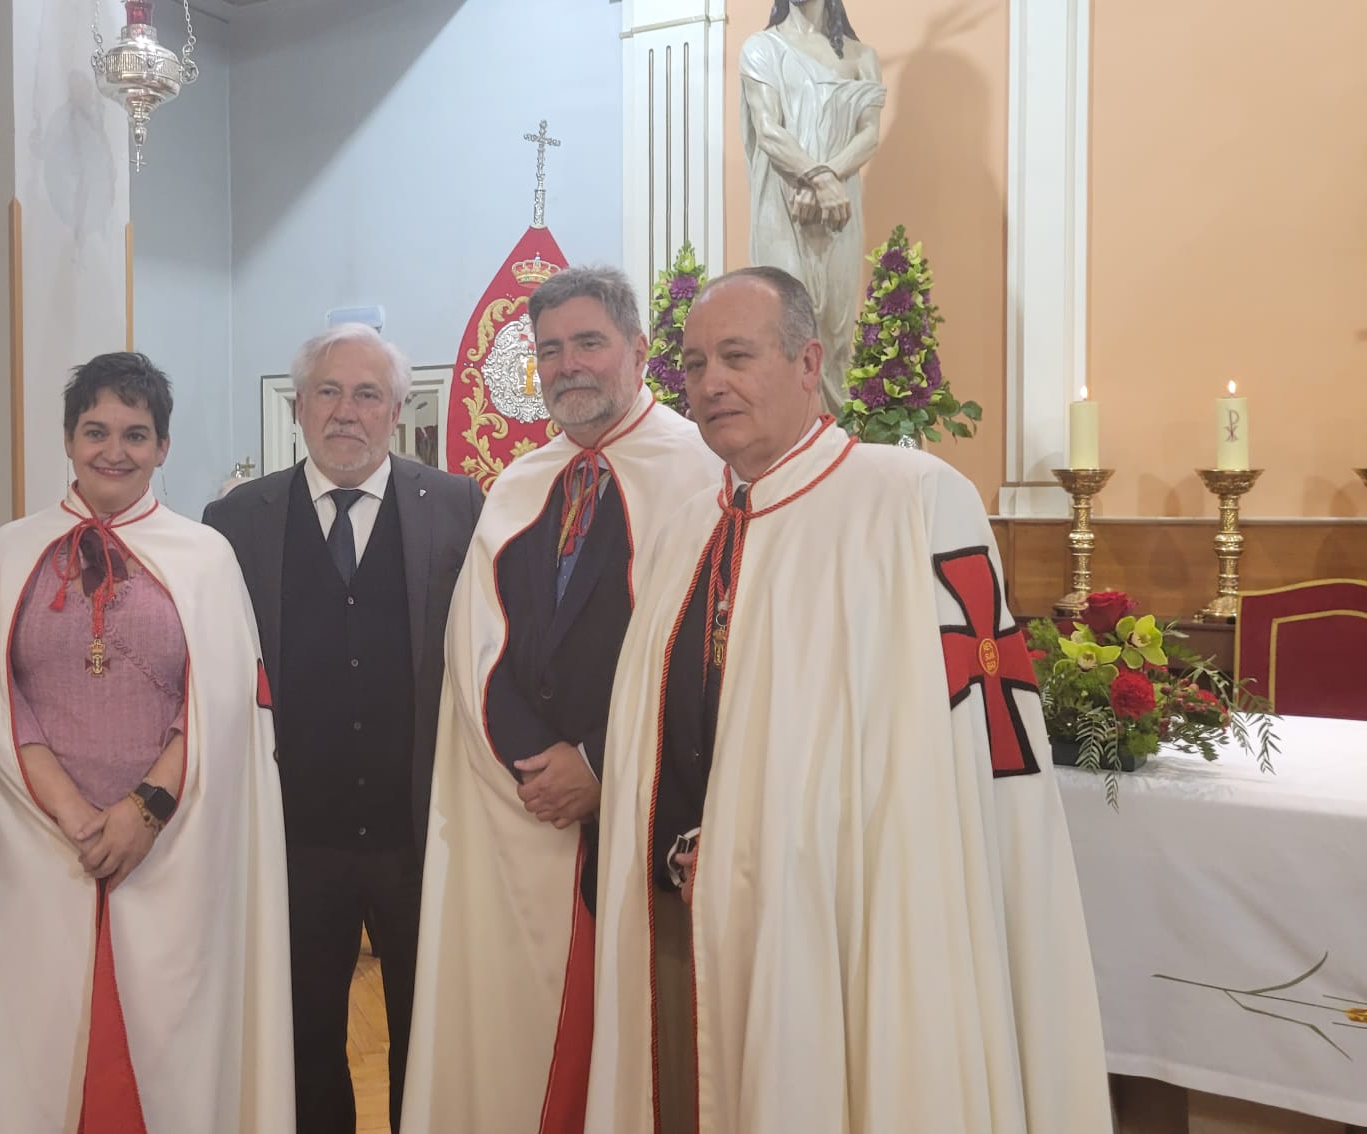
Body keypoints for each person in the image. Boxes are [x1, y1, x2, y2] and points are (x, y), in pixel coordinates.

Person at [586, 266, 1110, 1132]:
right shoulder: (688, 526)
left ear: (808, 363)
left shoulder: (907, 500)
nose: (710, 383)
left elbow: (965, 747)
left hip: (840, 916)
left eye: (737, 356)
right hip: (689, 908)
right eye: (695, 364)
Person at [0, 353, 293, 1133]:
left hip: (170, 844)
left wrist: (142, 810)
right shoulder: (8, 552)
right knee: (37, 1054)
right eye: (95, 431)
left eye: (136, 433)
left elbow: (220, 699)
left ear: (163, 447)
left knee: (166, 1052)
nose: (114, 450)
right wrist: (71, 812)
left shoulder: (205, 556)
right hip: (37, 843)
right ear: (68, 439)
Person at [400, 267, 721, 1134]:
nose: (568, 365)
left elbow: (700, 648)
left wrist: (599, 764)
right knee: (522, 1043)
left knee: (642, 1049)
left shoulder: (700, 472)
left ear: (639, 351)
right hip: (526, 810)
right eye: (550, 350)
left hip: (647, 810)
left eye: (588, 343)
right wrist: (532, 765)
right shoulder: (519, 482)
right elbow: (476, 644)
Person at [203, 324, 482, 1134]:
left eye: (367, 394)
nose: (346, 411)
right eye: (328, 392)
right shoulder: (237, 520)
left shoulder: (457, 507)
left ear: (397, 409)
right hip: (294, 838)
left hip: (418, 833)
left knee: (427, 1031)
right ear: (299, 406)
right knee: (303, 1038)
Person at [742, 0, 885, 413]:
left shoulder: (862, 57)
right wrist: (817, 179)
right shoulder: (762, 48)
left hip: (838, 212)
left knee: (836, 333)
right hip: (781, 205)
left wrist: (827, 177)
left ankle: (833, 435)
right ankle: (784, 432)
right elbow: (768, 129)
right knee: (783, 320)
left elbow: (869, 135)